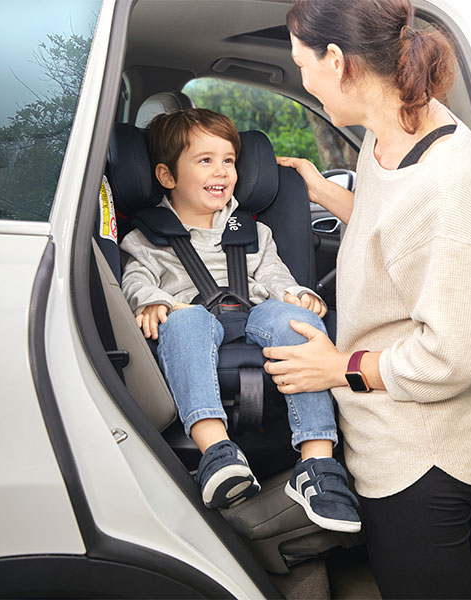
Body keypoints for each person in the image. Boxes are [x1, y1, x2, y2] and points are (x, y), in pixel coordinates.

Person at [262, 0, 471, 597]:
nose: (303, 77)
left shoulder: (451, 181)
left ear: (336, 60)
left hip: (426, 457)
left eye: (301, 63)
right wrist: (326, 193)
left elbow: (451, 354)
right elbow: (396, 235)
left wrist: (336, 369)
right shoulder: (391, 133)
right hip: (390, 433)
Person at [120, 108, 360, 533]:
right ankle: (218, 452)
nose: (222, 171)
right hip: (189, 316)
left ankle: (317, 464)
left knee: (296, 322)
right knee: (186, 321)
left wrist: (297, 295)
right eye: (205, 160)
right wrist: (153, 302)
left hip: (254, 314)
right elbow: (136, 279)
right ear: (167, 175)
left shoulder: (252, 230)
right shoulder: (145, 237)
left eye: (229, 160)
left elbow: (274, 274)